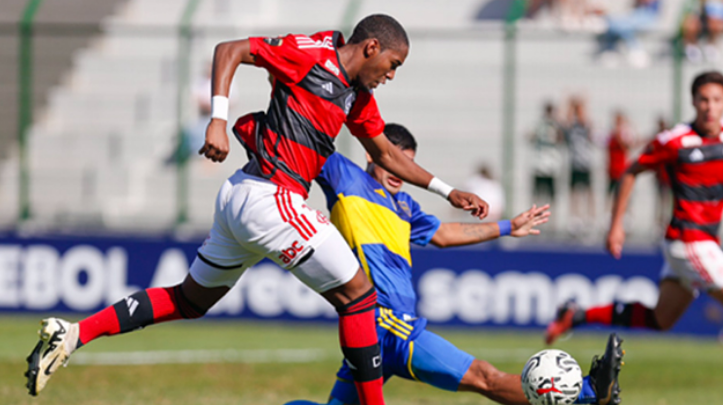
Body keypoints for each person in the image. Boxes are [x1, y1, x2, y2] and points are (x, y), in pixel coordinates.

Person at [24, 15, 489, 404]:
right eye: (393, 64)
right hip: (271, 196)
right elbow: (231, 49)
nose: (391, 75)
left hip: (242, 199)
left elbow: (387, 154)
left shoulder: (359, 99)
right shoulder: (311, 52)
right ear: (371, 48)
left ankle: (74, 333)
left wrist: (448, 191)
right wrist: (218, 120)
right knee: (359, 296)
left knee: (190, 300)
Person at [285, 123, 624, 405]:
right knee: (484, 377)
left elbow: (446, 234)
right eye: (395, 163)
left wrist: (507, 227)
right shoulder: (347, 177)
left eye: (408, 166)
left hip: (375, 328)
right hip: (386, 323)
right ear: (372, 156)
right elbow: (306, 131)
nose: (400, 174)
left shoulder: (405, 205)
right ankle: (589, 393)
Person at [546, 71, 723, 345]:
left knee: (660, 319)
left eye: (716, 100)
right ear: (693, 101)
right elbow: (630, 171)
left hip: (706, 240)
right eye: (704, 100)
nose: (710, 107)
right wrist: (616, 225)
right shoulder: (674, 141)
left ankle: (576, 315)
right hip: (688, 241)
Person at [565, 96, 596, 236]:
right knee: (575, 192)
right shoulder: (572, 127)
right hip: (575, 162)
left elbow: (587, 122)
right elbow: (566, 121)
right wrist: (570, 105)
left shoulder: (586, 127)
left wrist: (583, 104)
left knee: (588, 191)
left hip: (586, 162)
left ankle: (589, 218)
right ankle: (575, 219)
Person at [530, 102, 564, 206]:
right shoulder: (540, 124)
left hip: (551, 166)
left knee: (551, 195)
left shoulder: (556, 125)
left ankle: (551, 216)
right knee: (538, 193)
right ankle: (536, 215)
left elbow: (561, 139)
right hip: (539, 164)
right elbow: (531, 137)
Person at [606, 111, 634, 195]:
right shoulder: (611, 135)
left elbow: (627, 147)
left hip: (621, 169)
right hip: (612, 169)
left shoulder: (623, 136)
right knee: (610, 194)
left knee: (621, 194)